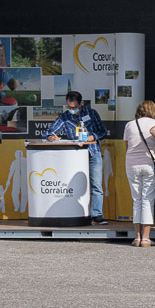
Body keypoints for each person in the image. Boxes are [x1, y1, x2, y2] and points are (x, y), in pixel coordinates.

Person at [45, 91, 110, 222]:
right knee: (72, 186)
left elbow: (103, 131)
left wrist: (93, 137)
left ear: (81, 103)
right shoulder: (64, 117)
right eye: (69, 107)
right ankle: (73, 213)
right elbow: (49, 131)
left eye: (74, 108)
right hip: (74, 156)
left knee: (96, 185)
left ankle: (97, 215)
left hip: (93, 153)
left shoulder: (92, 113)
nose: (71, 110)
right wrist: (51, 137)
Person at [121, 100, 155, 247]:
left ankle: (136, 237)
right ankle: (146, 238)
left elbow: (127, 147)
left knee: (136, 200)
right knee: (147, 200)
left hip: (132, 164)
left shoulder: (130, 125)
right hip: (150, 164)